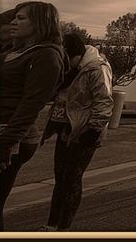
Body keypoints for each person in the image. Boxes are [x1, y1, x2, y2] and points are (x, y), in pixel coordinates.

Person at [0, 1, 67, 231]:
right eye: (15, 17)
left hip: (9, 133)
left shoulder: (47, 56)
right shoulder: (14, 50)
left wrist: (4, 144)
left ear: (40, 23)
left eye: (21, 18)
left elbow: (31, 105)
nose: (13, 22)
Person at [39, 34, 113, 231]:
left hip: (85, 129)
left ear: (77, 55)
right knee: (59, 176)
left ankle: (63, 227)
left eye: (68, 59)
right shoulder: (70, 68)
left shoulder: (96, 68)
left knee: (72, 177)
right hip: (65, 125)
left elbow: (104, 102)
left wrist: (92, 130)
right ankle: (52, 223)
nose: (66, 65)